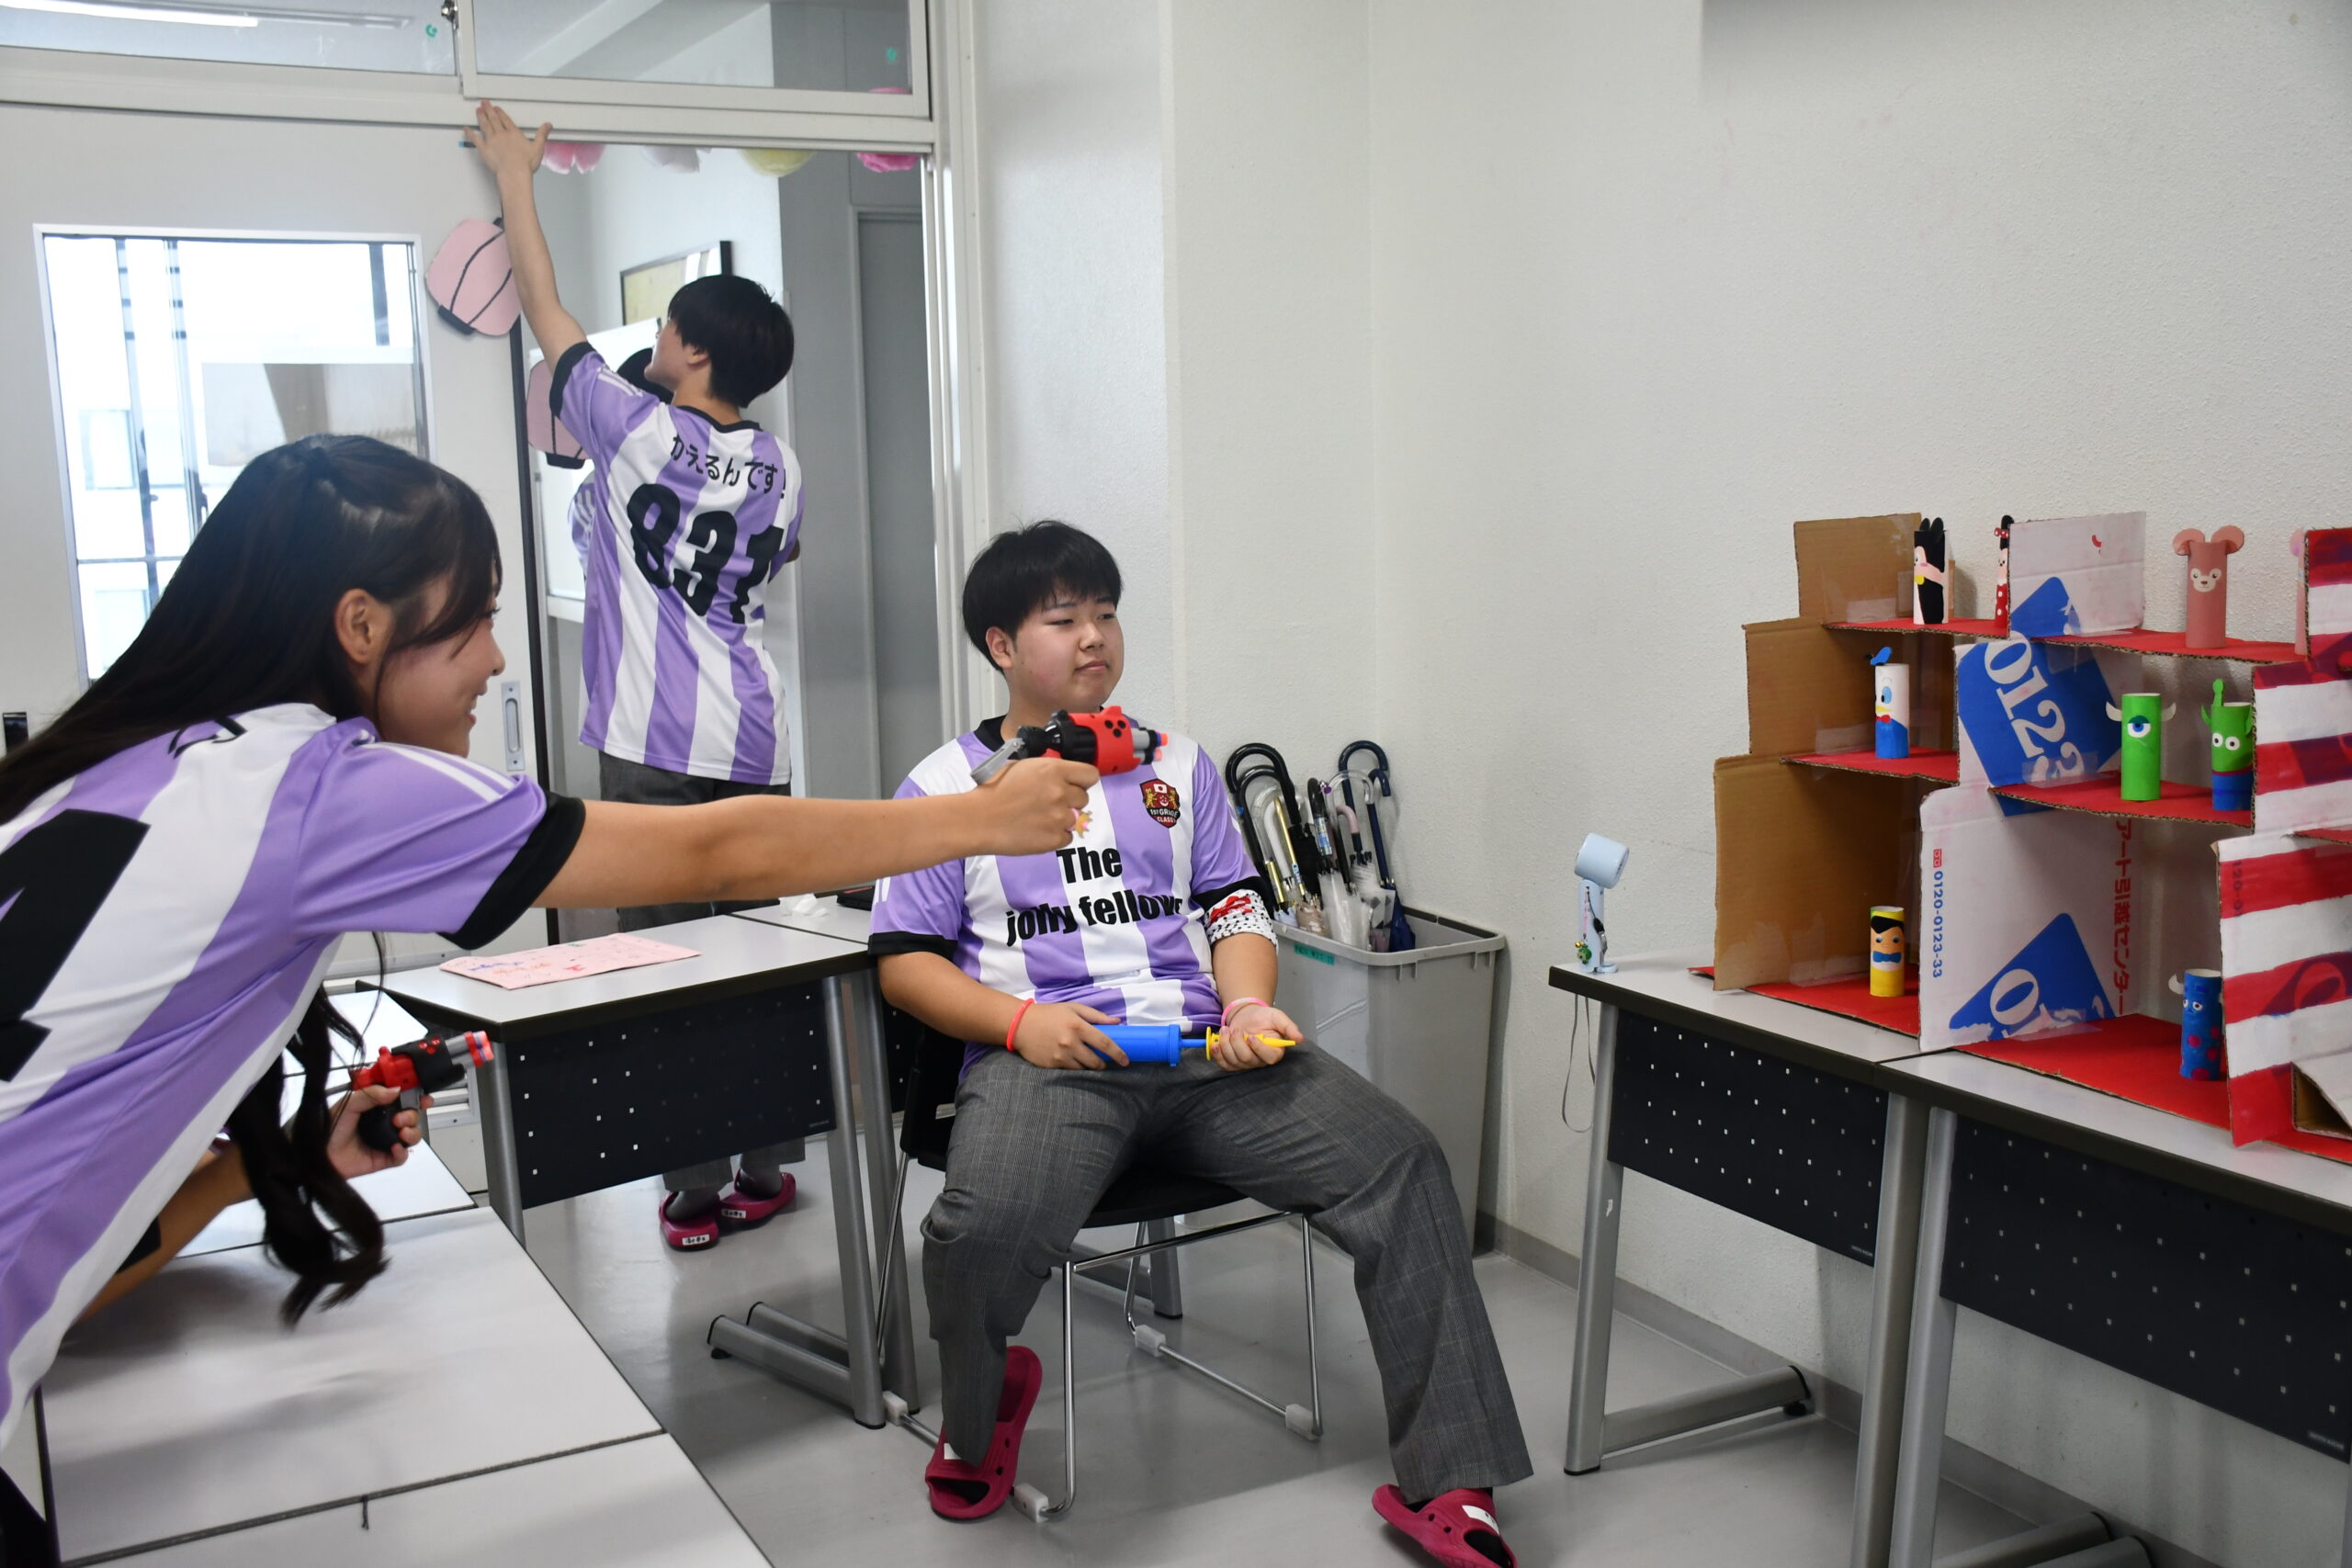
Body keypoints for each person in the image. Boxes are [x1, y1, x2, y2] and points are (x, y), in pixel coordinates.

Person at [0, 436, 1092, 1495]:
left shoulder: (106, 768)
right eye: (474, 620)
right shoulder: (320, 787)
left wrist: (259, 1166)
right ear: (362, 625)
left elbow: (56, 1222)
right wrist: (976, 820)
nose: (496, 659)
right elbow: (717, 851)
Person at [869, 523, 1532, 1566]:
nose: (1095, 637)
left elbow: (1234, 906)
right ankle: (984, 1403)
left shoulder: (1178, 764)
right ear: (1000, 645)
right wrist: (1022, 1024)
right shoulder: (946, 784)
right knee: (981, 1226)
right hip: (1048, 1057)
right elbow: (904, 962)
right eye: (1063, 620)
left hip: (1203, 1052)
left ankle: (1454, 1476)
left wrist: (1251, 1005)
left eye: (1105, 614)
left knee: (1401, 1159)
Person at [469, 102, 812, 1250]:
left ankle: (691, 1191)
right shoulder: (781, 463)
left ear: (694, 352)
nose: (654, 338)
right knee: (758, 966)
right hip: (754, 743)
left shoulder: (631, 427)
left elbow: (543, 305)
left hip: (652, 748)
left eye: (666, 327)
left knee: (665, 971)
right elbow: (777, 556)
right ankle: (766, 1166)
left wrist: (515, 178)